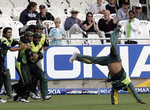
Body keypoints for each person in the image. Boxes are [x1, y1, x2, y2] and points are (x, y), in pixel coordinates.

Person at [69, 26, 146, 105]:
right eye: (123, 88)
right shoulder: (127, 82)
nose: (120, 88)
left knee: (93, 60)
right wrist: (139, 100)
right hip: (115, 59)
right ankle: (117, 29)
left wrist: (114, 104)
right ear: (125, 87)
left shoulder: (115, 87)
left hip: (108, 61)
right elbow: (133, 91)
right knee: (113, 45)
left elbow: (113, 97)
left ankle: (77, 56)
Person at [0, 27, 25, 99]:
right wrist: (20, 48)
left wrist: (21, 42)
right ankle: (9, 93)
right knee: (2, 78)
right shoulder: (3, 40)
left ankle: (9, 93)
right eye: (8, 32)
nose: (10, 34)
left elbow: (15, 42)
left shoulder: (10, 39)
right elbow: (11, 49)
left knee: (6, 75)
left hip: (1, 60)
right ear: (4, 33)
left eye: (11, 32)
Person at [14, 31, 34, 102]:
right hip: (20, 64)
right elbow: (22, 38)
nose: (31, 38)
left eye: (32, 36)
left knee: (24, 81)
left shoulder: (28, 42)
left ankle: (17, 95)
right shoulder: (24, 43)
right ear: (26, 37)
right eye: (30, 36)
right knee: (25, 81)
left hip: (25, 64)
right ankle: (20, 95)